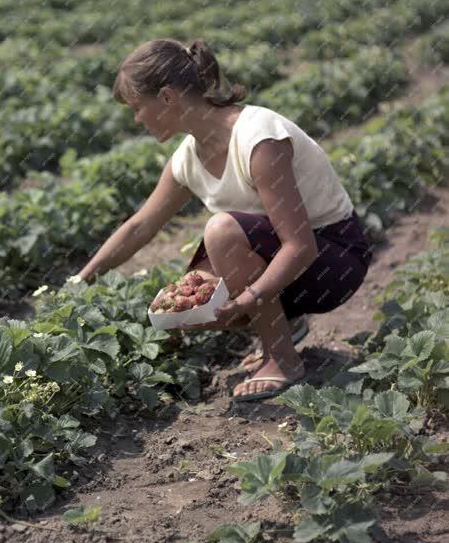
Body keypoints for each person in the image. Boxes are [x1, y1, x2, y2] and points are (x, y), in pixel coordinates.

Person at [76, 38, 373, 402]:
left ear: (167, 97)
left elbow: (300, 245)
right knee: (190, 295)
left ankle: (283, 359)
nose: (136, 119)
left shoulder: (258, 138)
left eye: (138, 107)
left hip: (334, 261)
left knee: (221, 231)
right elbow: (140, 226)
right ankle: (285, 324)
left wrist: (249, 299)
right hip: (293, 264)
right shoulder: (187, 158)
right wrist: (81, 279)